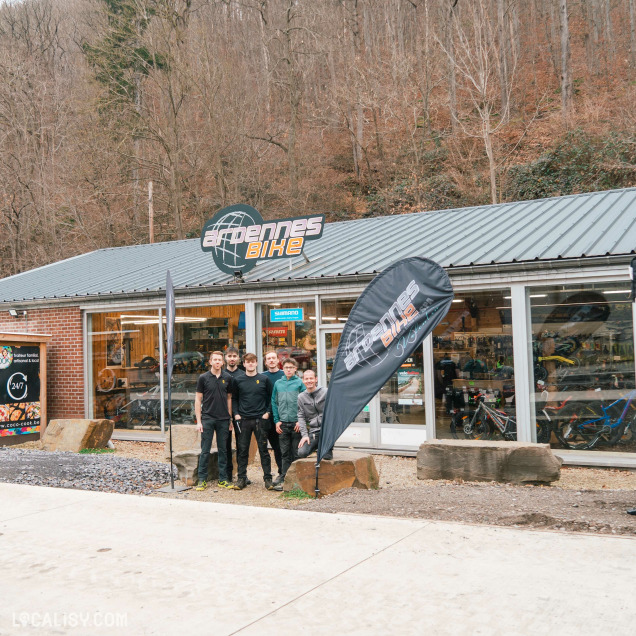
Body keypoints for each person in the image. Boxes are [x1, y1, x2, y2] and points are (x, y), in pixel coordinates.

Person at [232, 353, 279, 490]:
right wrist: (236, 414)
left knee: (264, 451)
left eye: (253, 361)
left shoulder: (264, 379)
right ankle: (242, 479)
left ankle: (268, 480)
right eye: (248, 362)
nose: (251, 364)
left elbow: (272, 398)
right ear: (244, 364)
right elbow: (234, 398)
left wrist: (267, 413)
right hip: (244, 420)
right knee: (243, 451)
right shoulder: (238, 380)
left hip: (260, 420)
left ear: (257, 363)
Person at [194, 351, 237, 491]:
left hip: (223, 419)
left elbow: (229, 398)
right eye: (215, 359)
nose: (217, 362)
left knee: (223, 450)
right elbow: (198, 400)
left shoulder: (228, 378)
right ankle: (202, 479)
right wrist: (199, 421)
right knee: (205, 450)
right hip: (207, 418)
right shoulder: (203, 378)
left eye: (219, 360)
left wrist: (230, 418)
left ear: (223, 362)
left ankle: (223, 479)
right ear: (210, 361)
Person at [272, 357, 305, 484]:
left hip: (296, 423)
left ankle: (297, 478)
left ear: (295, 369)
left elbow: (304, 403)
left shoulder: (299, 383)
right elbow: (274, 402)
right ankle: (284, 476)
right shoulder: (278, 384)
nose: (289, 370)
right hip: (283, 424)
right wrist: (276, 420)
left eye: (291, 367)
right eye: (286, 368)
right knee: (284, 452)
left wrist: (300, 421)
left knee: (296, 452)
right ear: (282, 369)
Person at [297, 368, 333, 460]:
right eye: (306, 379)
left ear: (316, 379)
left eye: (311, 378)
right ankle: (317, 447)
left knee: (326, 457)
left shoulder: (325, 392)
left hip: (327, 431)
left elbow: (334, 409)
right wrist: (304, 435)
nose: (309, 381)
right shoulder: (301, 397)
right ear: (303, 380)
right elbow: (301, 417)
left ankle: (324, 448)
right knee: (301, 453)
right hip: (313, 432)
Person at [224, 347, 246, 484]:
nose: (232, 358)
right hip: (224, 415)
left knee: (241, 445)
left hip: (240, 414)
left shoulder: (243, 374)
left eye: (234, 356)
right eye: (229, 356)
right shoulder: (220, 374)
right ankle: (227, 474)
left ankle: (242, 475)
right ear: (226, 358)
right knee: (225, 445)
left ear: (238, 358)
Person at [261, 349, 284, 481]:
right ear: (265, 362)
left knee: (284, 447)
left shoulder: (283, 374)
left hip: (283, 416)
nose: (271, 360)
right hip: (267, 417)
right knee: (275, 446)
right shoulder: (262, 376)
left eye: (273, 358)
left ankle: (285, 472)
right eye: (268, 358)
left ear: (277, 360)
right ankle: (278, 473)